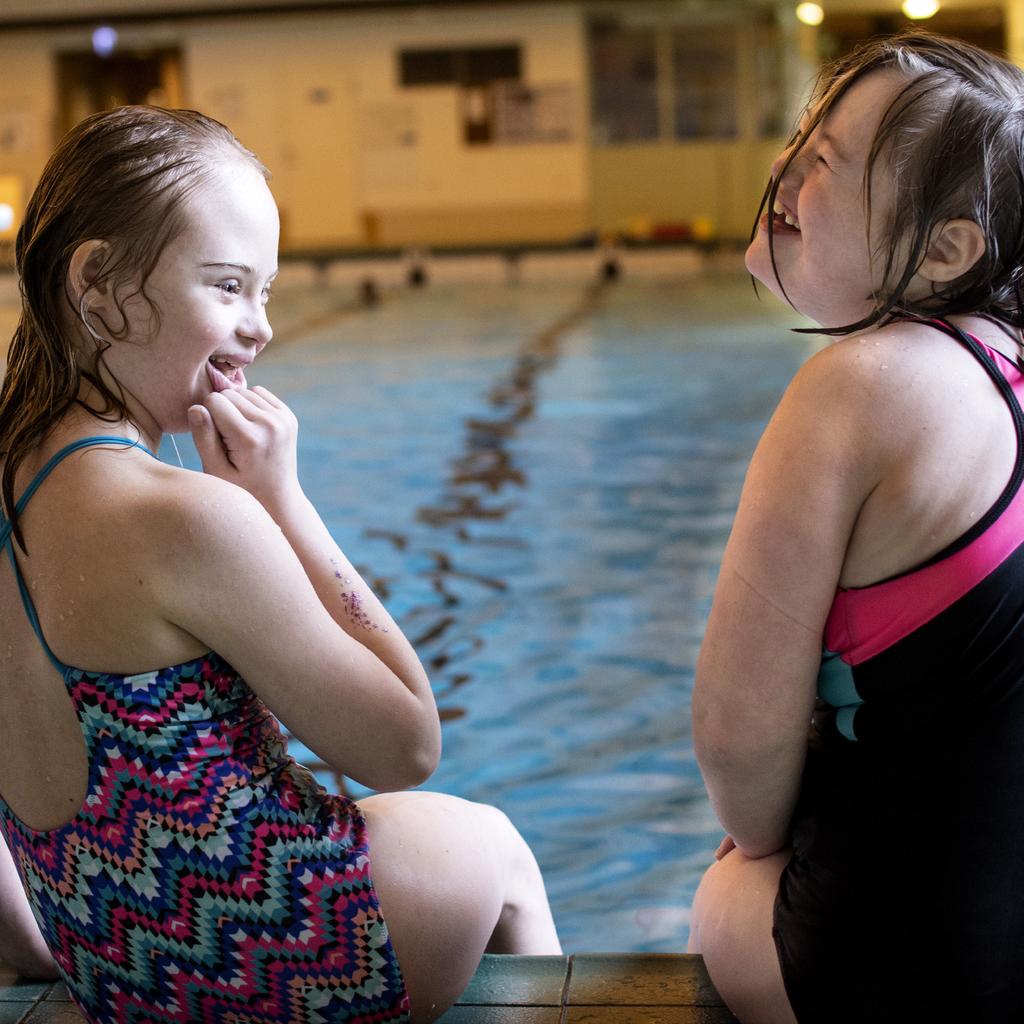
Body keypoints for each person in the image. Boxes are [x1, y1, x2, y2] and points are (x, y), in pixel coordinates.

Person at [0, 105, 560, 1024]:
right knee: (492, 850)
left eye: (266, 291)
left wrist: (46, 950)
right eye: (227, 285)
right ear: (98, 284)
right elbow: (405, 745)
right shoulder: (183, 516)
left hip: (114, 968)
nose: (259, 327)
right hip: (285, 951)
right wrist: (282, 501)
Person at [687, 32, 1024, 1024]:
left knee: (716, 891)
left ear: (945, 250)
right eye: (803, 134)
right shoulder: (1004, 371)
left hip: (908, 967)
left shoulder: (855, 387)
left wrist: (755, 846)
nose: (786, 169)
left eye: (829, 159)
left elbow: (734, 749)